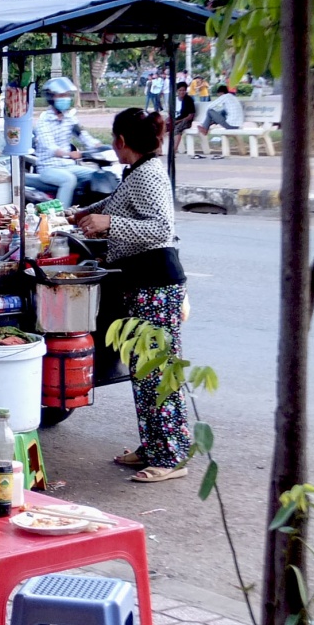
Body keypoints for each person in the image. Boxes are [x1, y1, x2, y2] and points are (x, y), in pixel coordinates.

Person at [70, 108, 190, 483]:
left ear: (122, 141)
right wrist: (79, 214)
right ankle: (153, 445)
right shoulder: (137, 172)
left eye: (112, 138)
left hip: (157, 282)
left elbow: (160, 228)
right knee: (143, 370)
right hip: (140, 283)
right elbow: (115, 203)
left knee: (158, 370)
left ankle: (170, 457)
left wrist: (109, 224)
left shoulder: (151, 174)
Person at [25, 77, 101, 206]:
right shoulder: (43, 122)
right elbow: (51, 148)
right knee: (68, 180)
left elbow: (82, 135)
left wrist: (98, 146)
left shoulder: (69, 119)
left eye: (67, 95)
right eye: (61, 95)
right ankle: (60, 216)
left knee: (97, 175)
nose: (65, 98)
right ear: (51, 98)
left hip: (68, 166)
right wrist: (69, 154)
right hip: (48, 168)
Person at [171, 82, 198, 146]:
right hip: (175, 120)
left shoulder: (189, 100)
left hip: (186, 121)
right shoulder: (174, 100)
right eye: (180, 90)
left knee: (177, 129)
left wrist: (177, 121)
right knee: (162, 127)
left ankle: (174, 150)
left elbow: (190, 116)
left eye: (183, 90)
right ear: (177, 91)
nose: (182, 92)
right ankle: (159, 150)